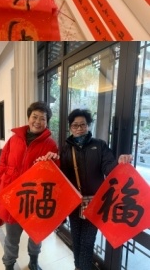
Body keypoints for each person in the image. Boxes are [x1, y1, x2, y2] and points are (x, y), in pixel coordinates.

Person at [42, 109, 132, 270]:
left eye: (83, 125)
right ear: (70, 127)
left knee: (87, 241)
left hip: (95, 203)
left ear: (88, 126)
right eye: (75, 125)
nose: (79, 128)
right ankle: (78, 266)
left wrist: (119, 164)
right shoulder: (65, 149)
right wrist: (50, 161)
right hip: (73, 202)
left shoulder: (99, 145)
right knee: (76, 238)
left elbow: (109, 168)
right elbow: (60, 176)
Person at [0, 101, 58, 270]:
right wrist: (1, 187)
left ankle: (34, 261)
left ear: (47, 122)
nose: (37, 121)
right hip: (13, 196)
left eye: (42, 118)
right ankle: (9, 264)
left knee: (36, 235)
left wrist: (53, 161)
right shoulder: (14, 140)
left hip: (35, 199)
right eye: (34, 117)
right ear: (28, 118)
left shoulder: (50, 145)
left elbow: (55, 174)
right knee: (11, 237)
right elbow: (2, 165)